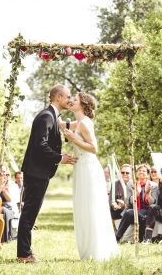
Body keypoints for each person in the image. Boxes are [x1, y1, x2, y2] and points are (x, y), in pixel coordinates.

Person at [17, 84, 77, 263]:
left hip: (39, 172)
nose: (70, 99)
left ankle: (25, 251)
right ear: (58, 97)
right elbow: (40, 145)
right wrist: (60, 158)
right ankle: (24, 254)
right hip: (36, 173)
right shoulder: (46, 116)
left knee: (31, 212)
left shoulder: (52, 116)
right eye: (67, 96)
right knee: (29, 212)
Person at [62, 91, 119, 261]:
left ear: (83, 105)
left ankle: (97, 250)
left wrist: (73, 139)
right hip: (81, 167)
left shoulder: (85, 124)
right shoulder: (77, 122)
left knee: (91, 207)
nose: (72, 101)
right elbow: (61, 125)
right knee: (83, 207)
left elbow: (94, 148)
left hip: (89, 167)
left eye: (75, 99)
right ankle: (88, 249)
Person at [116, 164, 158, 243]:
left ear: (148, 174)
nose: (141, 172)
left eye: (144, 171)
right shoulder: (131, 184)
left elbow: (153, 203)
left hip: (148, 214)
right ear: (136, 173)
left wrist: (148, 193)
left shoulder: (153, 186)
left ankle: (142, 239)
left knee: (142, 214)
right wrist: (136, 194)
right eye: (139, 170)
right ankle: (117, 237)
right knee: (128, 212)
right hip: (135, 211)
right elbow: (127, 202)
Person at [144, 166, 162, 242]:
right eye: (152, 171)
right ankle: (148, 238)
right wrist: (148, 193)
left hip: (158, 211)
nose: (153, 173)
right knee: (152, 208)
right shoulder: (148, 185)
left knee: (153, 208)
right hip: (152, 210)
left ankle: (149, 238)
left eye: (155, 171)